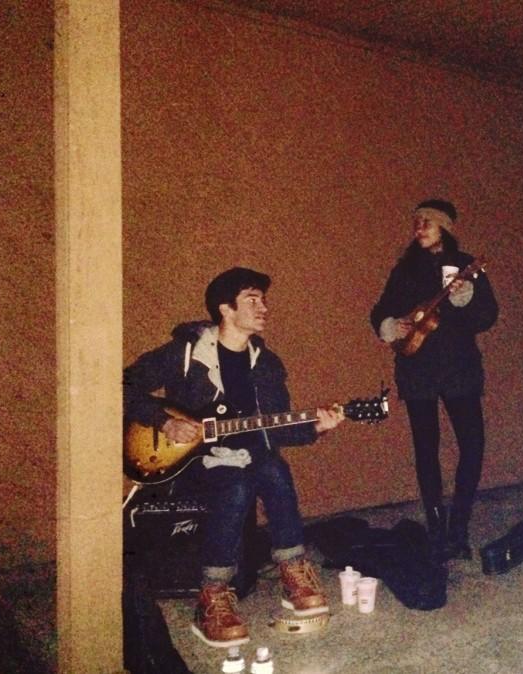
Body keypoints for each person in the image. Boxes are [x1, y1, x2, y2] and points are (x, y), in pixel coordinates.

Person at [123, 267, 344, 648]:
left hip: (248, 460)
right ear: (225, 309)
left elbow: (278, 429)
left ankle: (293, 570)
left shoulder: (267, 364)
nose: (264, 307)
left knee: (273, 466)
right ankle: (212, 596)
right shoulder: (186, 352)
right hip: (189, 465)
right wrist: (164, 421)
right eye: (252, 300)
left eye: (263, 299)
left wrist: (318, 427)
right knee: (237, 483)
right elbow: (125, 385)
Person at [371, 199, 498, 561]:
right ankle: (436, 527)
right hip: (418, 370)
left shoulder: (466, 266)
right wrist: (390, 325)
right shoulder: (405, 270)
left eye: (428, 222)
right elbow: (382, 309)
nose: (420, 228)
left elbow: (487, 316)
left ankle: (459, 526)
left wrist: (468, 299)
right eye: (417, 222)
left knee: (472, 446)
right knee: (426, 450)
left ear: (446, 228)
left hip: (459, 368)